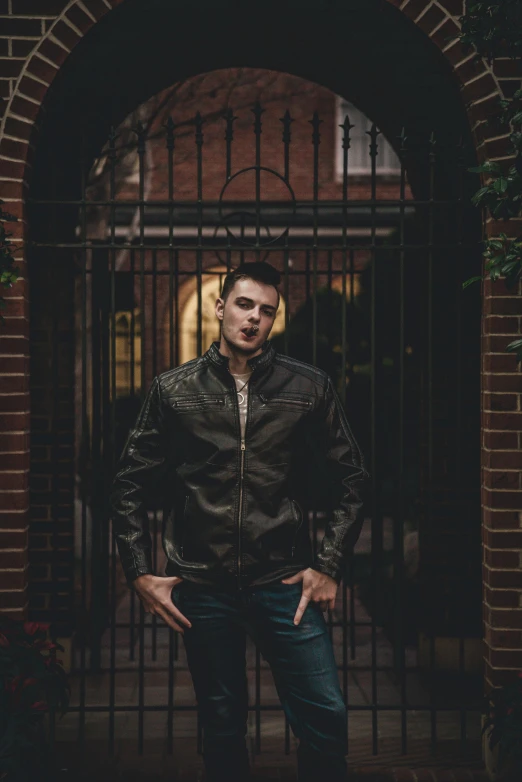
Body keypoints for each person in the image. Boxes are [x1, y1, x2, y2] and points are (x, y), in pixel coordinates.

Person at [110, 260, 369, 782]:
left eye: (266, 311)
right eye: (245, 305)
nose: (254, 319)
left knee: (326, 712)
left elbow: (353, 479)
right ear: (221, 306)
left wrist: (329, 565)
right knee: (222, 722)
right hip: (203, 586)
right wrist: (140, 572)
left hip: (283, 581)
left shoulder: (307, 387)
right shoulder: (174, 389)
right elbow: (128, 485)